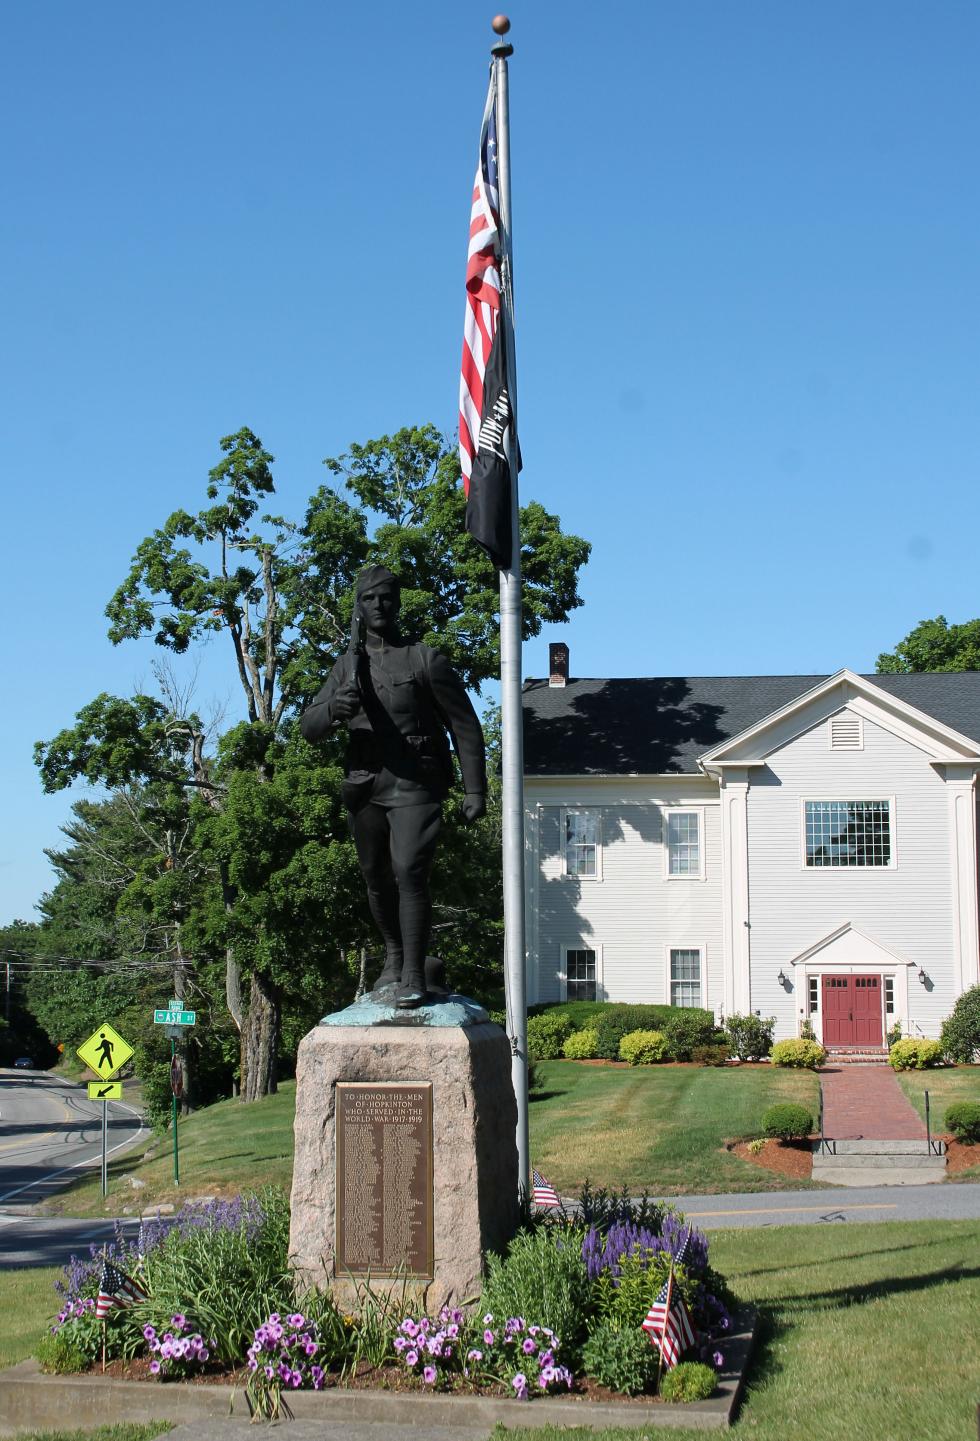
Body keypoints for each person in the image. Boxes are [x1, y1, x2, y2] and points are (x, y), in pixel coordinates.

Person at [301, 566, 487, 1008]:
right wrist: (333, 708)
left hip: (415, 783)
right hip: (366, 783)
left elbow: (465, 726)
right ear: (359, 608)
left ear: (398, 603)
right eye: (370, 599)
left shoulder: (424, 659)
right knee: (375, 877)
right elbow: (308, 727)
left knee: (409, 871)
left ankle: (412, 973)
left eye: (387, 598)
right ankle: (394, 956)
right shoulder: (346, 666)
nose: (379, 606)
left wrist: (475, 789)